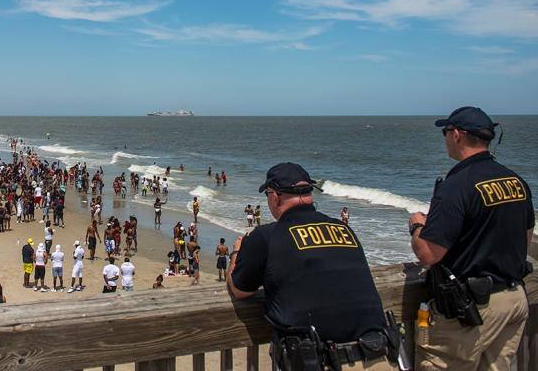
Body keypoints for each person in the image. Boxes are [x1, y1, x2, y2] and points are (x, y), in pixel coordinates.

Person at [228, 163, 396, 371]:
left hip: (319, 360)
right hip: (377, 356)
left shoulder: (266, 236)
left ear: (275, 196)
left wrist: (237, 251)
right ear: (309, 194)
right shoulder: (344, 229)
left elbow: (240, 289)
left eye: (268, 195)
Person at [410, 106, 534, 371]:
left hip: (471, 310)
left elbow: (429, 254)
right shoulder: (515, 181)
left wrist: (417, 227)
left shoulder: (457, 186)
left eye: (445, 132)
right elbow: (525, 237)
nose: (445, 139)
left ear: (457, 135)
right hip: (513, 298)